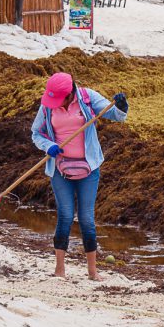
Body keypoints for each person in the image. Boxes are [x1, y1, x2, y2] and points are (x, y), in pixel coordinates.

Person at [30, 73, 129, 281]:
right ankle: (59, 270)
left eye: (59, 99)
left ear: (69, 94)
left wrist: (121, 105)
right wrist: (49, 146)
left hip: (88, 169)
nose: (56, 103)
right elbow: (36, 133)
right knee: (65, 215)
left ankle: (93, 273)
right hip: (60, 170)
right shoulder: (47, 106)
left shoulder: (86, 97)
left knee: (86, 219)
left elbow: (117, 116)